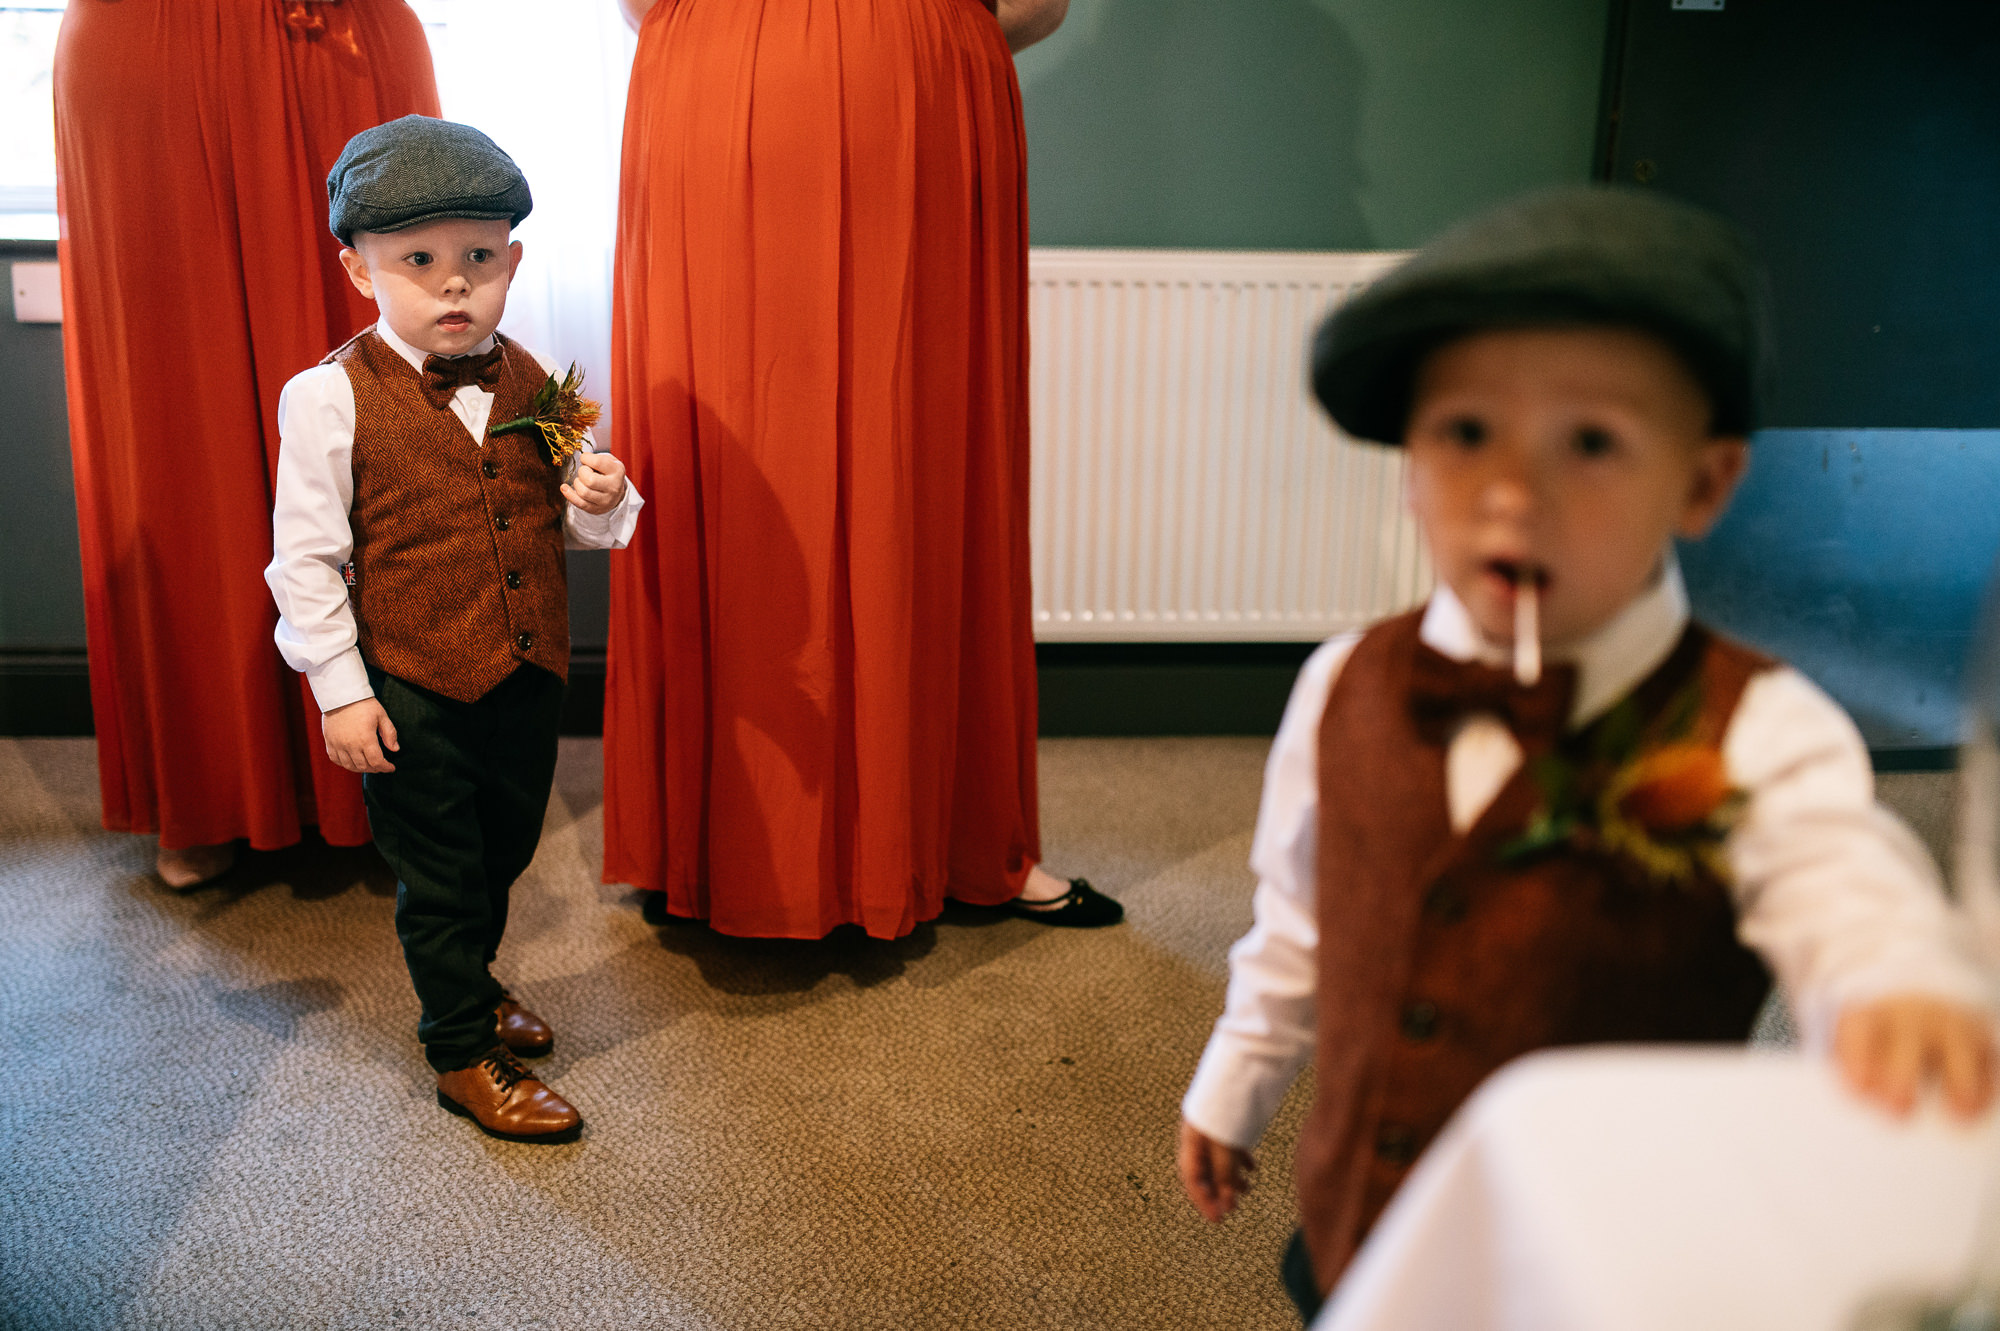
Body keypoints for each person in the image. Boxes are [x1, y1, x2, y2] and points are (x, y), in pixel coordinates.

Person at [1174, 187, 1999, 1321]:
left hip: (1598, 1270)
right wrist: (1233, 1083)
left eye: (1592, 442)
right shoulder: (1340, 685)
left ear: (1703, 483)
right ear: (1408, 460)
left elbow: (1842, 880)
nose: (1512, 491)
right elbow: (1299, 923)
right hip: (1365, 1226)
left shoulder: (1755, 728)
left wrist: (1900, 978)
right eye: (1464, 432)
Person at [601, 0, 1121, 940]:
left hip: (753, 71)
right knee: (905, 449)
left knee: (787, 441)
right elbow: (1037, 7)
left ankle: (730, 842)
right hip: (902, 73)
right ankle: (922, 838)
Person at [267, 116, 643, 1143]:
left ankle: (471, 983)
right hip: (411, 687)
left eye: (478, 258)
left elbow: (581, 522)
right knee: (437, 875)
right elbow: (301, 564)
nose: (453, 285)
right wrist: (340, 690)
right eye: (418, 261)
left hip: (526, 677)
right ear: (359, 269)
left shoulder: (536, 382)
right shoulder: (327, 396)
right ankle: (458, 1046)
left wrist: (604, 495)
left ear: (511, 261)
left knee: (500, 851)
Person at [53, 0, 440, 889]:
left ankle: (401, 772)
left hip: (346, 43)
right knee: (173, 423)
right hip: (151, 41)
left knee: (383, 398)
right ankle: (209, 781)